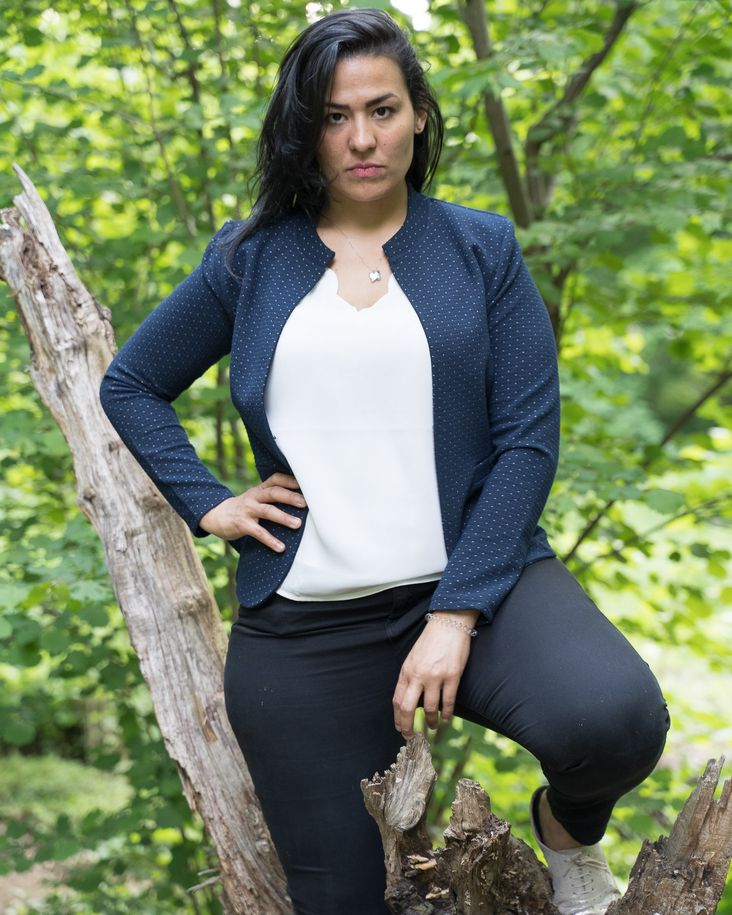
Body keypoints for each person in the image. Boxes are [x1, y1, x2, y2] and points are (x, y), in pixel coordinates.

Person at [99, 8, 670, 915]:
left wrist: (457, 611)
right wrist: (206, 501)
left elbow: (527, 438)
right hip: (308, 624)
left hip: (481, 582)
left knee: (616, 722)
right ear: (303, 132)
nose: (361, 137)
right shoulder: (249, 259)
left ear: (418, 117)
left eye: (383, 108)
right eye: (332, 116)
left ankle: (569, 842)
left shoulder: (480, 247)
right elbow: (131, 382)